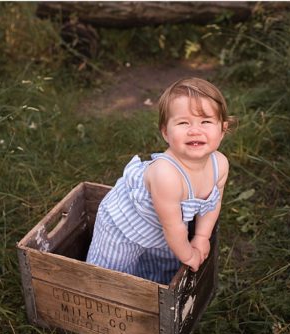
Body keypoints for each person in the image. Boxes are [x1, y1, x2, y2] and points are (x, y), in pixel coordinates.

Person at [86, 77, 233, 284]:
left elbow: (212, 204)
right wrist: (189, 256)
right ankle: (107, 300)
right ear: (166, 132)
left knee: (165, 270)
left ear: (222, 129)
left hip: (164, 226)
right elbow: (173, 228)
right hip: (123, 225)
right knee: (112, 275)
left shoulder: (220, 165)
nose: (195, 130)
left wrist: (201, 236)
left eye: (206, 121)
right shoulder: (167, 174)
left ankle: (154, 301)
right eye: (183, 123)